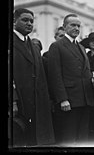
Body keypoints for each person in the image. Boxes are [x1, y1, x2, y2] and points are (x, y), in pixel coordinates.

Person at [47, 13, 94, 145]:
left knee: (83, 137)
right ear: (64, 26)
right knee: (69, 137)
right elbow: (55, 75)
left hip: (85, 100)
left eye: (78, 26)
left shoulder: (81, 47)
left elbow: (86, 72)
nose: (76, 28)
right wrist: (62, 99)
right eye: (73, 25)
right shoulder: (57, 46)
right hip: (69, 100)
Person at [12, 8, 55, 146]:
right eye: (25, 20)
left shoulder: (34, 47)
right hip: (19, 103)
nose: (29, 23)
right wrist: (12, 101)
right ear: (14, 21)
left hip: (37, 104)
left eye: (31, 21)